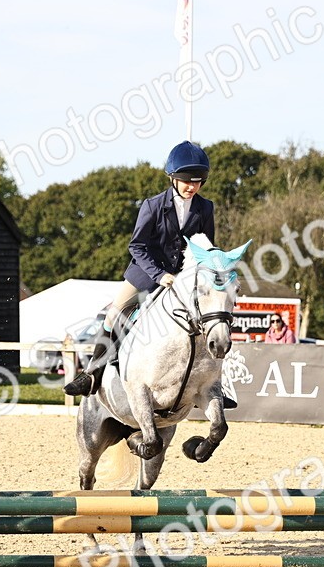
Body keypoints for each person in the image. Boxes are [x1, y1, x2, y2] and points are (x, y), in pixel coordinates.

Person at [65, 140, 216, 396]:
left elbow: (206, 246)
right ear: (173, 178)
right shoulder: (153, 205)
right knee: (114, 314)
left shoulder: (206, 207)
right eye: (186, 180)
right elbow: (137, 247)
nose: (192, 186)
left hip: (185, 278)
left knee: (214, 317)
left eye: (198, 181)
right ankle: (92, 374)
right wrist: (160, 275)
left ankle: (217, 386)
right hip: (146, 273)